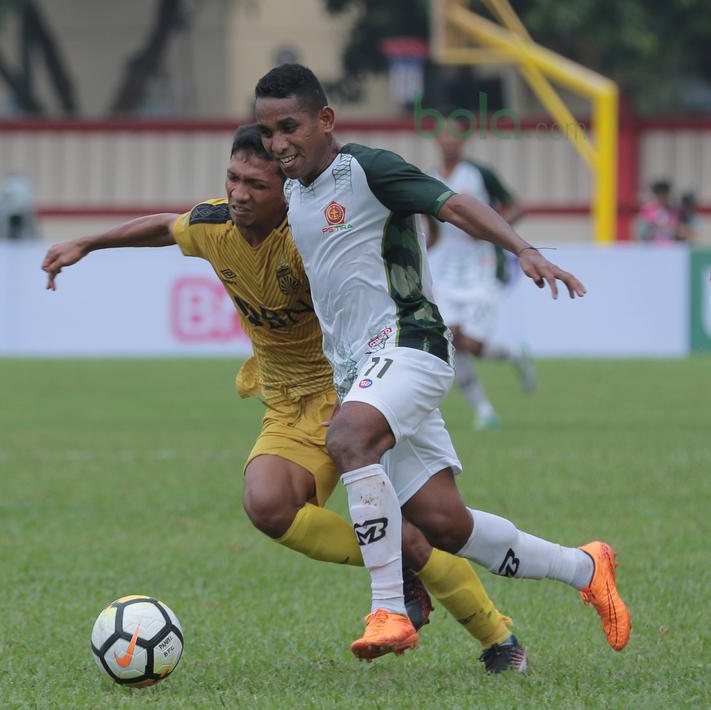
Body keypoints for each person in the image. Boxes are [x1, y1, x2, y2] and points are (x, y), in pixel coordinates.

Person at [43, 124, 529, 673]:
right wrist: (87, 243)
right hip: (286, 401)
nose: (239, 193)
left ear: (288, 188)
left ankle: (497, 636)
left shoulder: (312, 238)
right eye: (232, 178)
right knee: (268, 505)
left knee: (422, 529)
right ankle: (401, 567)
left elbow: (384, 246)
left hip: (350, 391)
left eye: (255, 183)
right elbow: (164, 227)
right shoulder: (215, 225)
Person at [253, 63, 629, 661]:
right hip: (362, 371)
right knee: (446, 524)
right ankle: (585, 568)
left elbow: (453, 205)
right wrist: (94, 242)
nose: (277, 143)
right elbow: (222, 216)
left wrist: (524, 249)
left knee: (348, 437)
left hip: (412, 345)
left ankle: (389, 609)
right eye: (268, 131)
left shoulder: (369, 169)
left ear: (325, 120)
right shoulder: (292, 190)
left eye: (289, 127)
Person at [428, 122, 536, 429]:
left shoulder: (479, 174)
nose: (449, 139)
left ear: (464, 139)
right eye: (443, 133)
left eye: (455, 133)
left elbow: (518, 206)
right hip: (444, 271)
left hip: (480, 268)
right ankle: (484, 411)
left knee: (473, 344)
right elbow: (433, 228)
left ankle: (514, 354)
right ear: (437, 139)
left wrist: (491, 228)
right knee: (451, 340)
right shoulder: (430, 177)